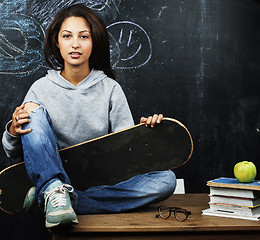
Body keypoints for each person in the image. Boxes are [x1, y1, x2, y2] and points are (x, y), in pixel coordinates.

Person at [2, 4, 176, 228]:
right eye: (67, 36)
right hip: (54, 172)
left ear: (94, 42)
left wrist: (143, 136)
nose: (75, 44)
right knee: (32, 109)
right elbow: (13, 151)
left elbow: (125, 154)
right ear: (57, 41)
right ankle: (54, 189)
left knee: (166, 180)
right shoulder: (40, 89)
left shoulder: (110, 89)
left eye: (84, 36)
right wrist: (13, 131)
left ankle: (55, 200)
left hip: (102, 181)